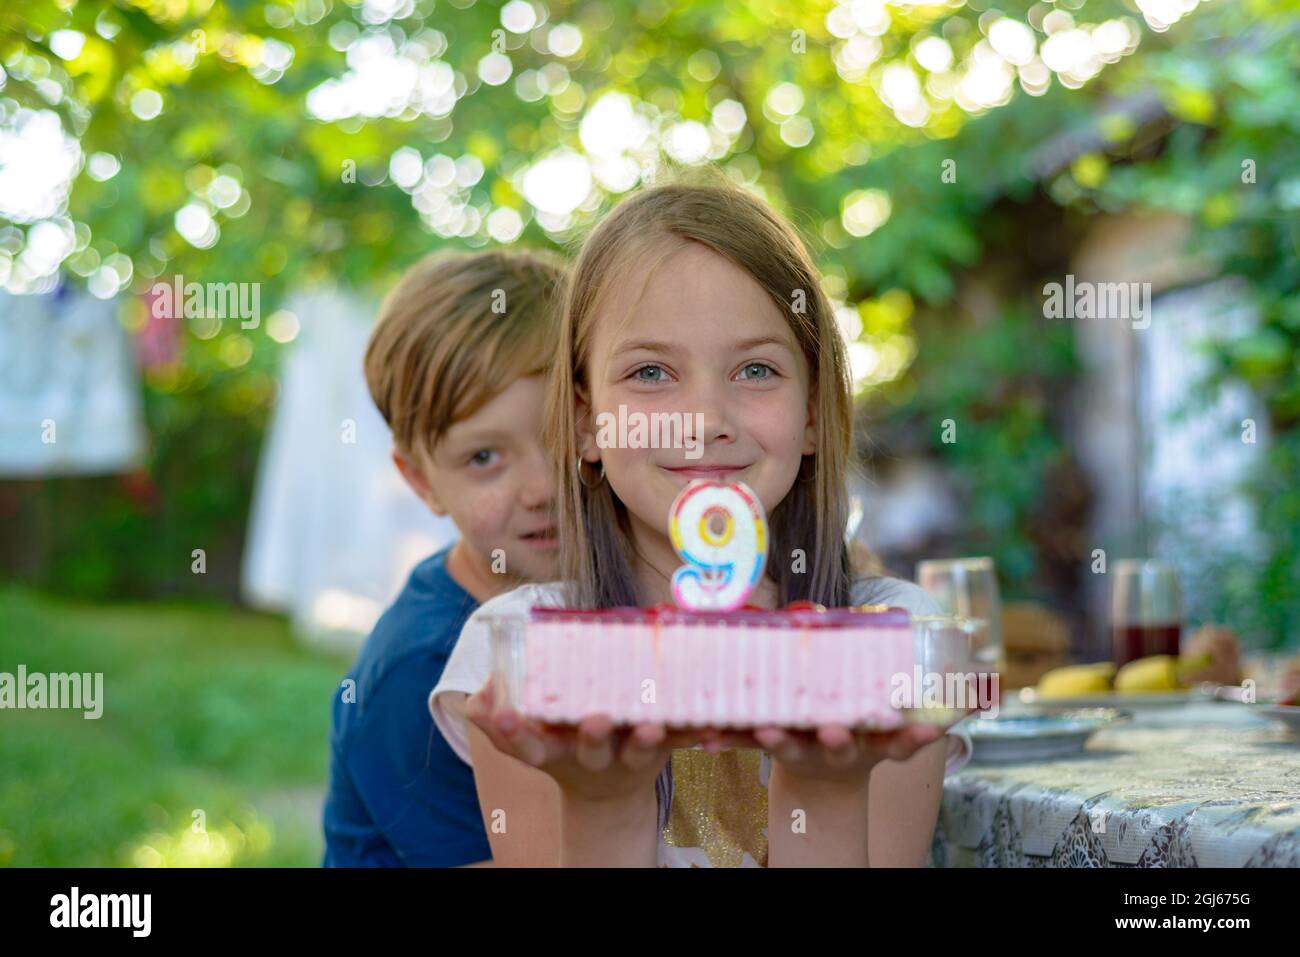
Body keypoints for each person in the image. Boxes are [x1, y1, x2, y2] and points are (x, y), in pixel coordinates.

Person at [430, 174, 958, 867]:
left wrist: (826, 788)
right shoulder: (522, 657)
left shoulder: (896, 646)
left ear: (810, 412)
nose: (705, 421)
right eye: (651, 373)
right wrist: (602, 801)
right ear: (588, 423)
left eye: (756, 370)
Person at [322, 248, 567, 866]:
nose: (543, 489)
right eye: (484, 457)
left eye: (563, 433)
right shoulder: (421, 672)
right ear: (421, 481)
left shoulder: (611, 591)